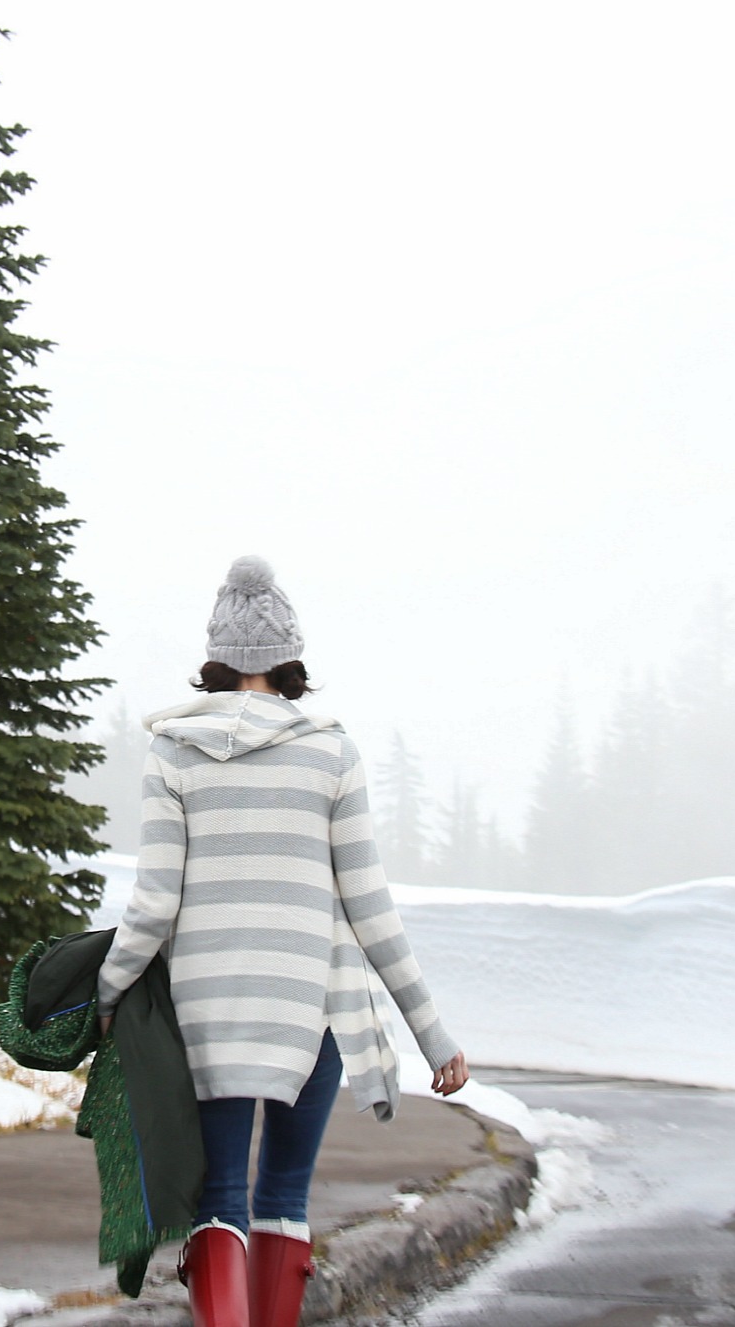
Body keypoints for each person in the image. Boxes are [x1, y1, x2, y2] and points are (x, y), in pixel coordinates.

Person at [95, 556, 468, 1327]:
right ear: (289, 659)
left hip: (208, 1012)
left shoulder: (173, 753)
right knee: (283, 1196)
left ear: (218, 658)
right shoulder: (332, 754)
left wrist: (106, 992)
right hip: (317, 1008)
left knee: (221, 1195)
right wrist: (433, 1037)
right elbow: (370, 908)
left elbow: (155, 903)